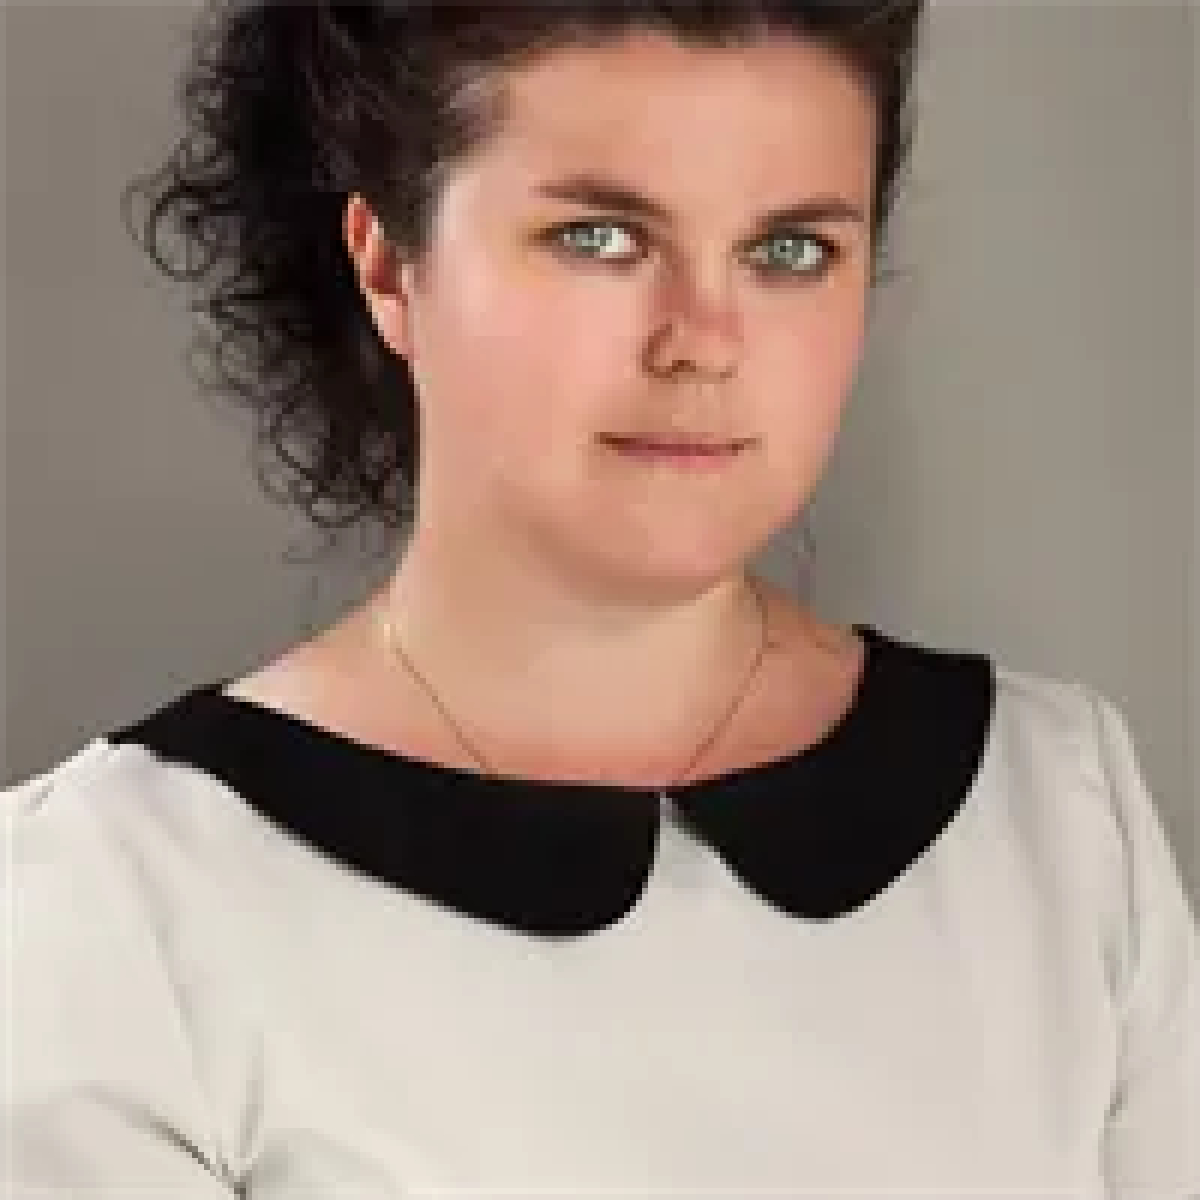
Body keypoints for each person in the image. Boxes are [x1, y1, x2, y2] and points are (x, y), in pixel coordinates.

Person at [4, 1, 1195, 1195]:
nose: (703, 341)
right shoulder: (113, 913)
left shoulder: (1059, 813)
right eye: (601, 238)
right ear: (389, 264)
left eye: (789, 251)